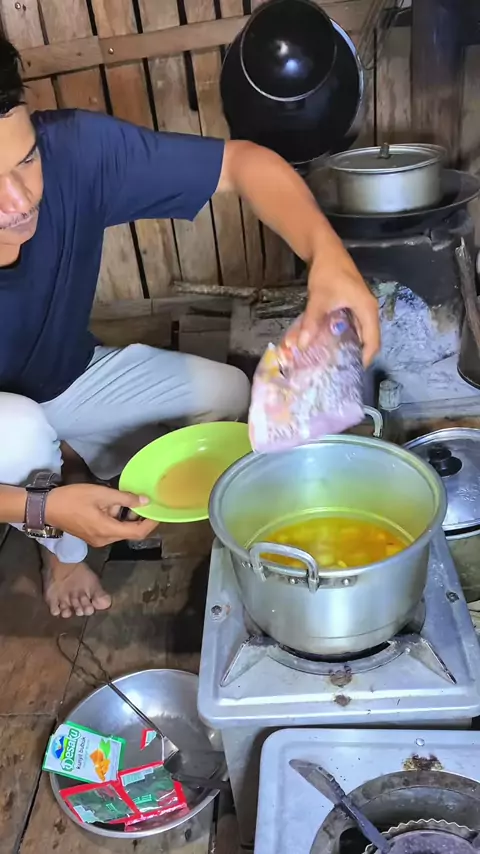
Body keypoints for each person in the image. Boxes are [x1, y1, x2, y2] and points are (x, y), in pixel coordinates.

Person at [0, 37, 380, 619]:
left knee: (228, 392)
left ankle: (89, 473)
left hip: (68, 374)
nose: (19, 201)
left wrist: (329, 257)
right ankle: (63, 555)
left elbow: (244, 163)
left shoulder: (73, 150)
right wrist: (39, 510)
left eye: (25, 160)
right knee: (19, 433)